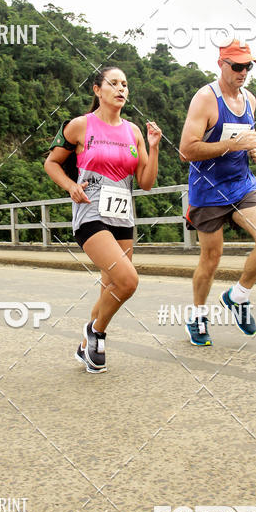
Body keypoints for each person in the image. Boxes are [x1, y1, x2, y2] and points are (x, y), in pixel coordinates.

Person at [44, 66, 162, 372]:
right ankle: (96, 332)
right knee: (128, 280)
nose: (121, 89)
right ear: (97, 89)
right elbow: (52, 163)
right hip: (90, 213)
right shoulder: (80, 126)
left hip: (122, 216)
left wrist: (153, 146)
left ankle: (86, 348)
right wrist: (71, 186)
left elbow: (146, 181)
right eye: (114, 83)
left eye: (125, 84)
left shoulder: (133, 131)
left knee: (111, 284)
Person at [178, 40, 256, 346]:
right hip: (208, 190)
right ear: (221, 64)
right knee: (211, 258)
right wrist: (231, 146)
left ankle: (238, 296)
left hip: (241, 184)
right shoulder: (205, 100)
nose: (243, 72)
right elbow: (186, 150)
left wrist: (255, 150)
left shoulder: (250, 99)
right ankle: (197, 317)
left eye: (248, 66)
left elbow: (247, 138)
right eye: (237, 66)